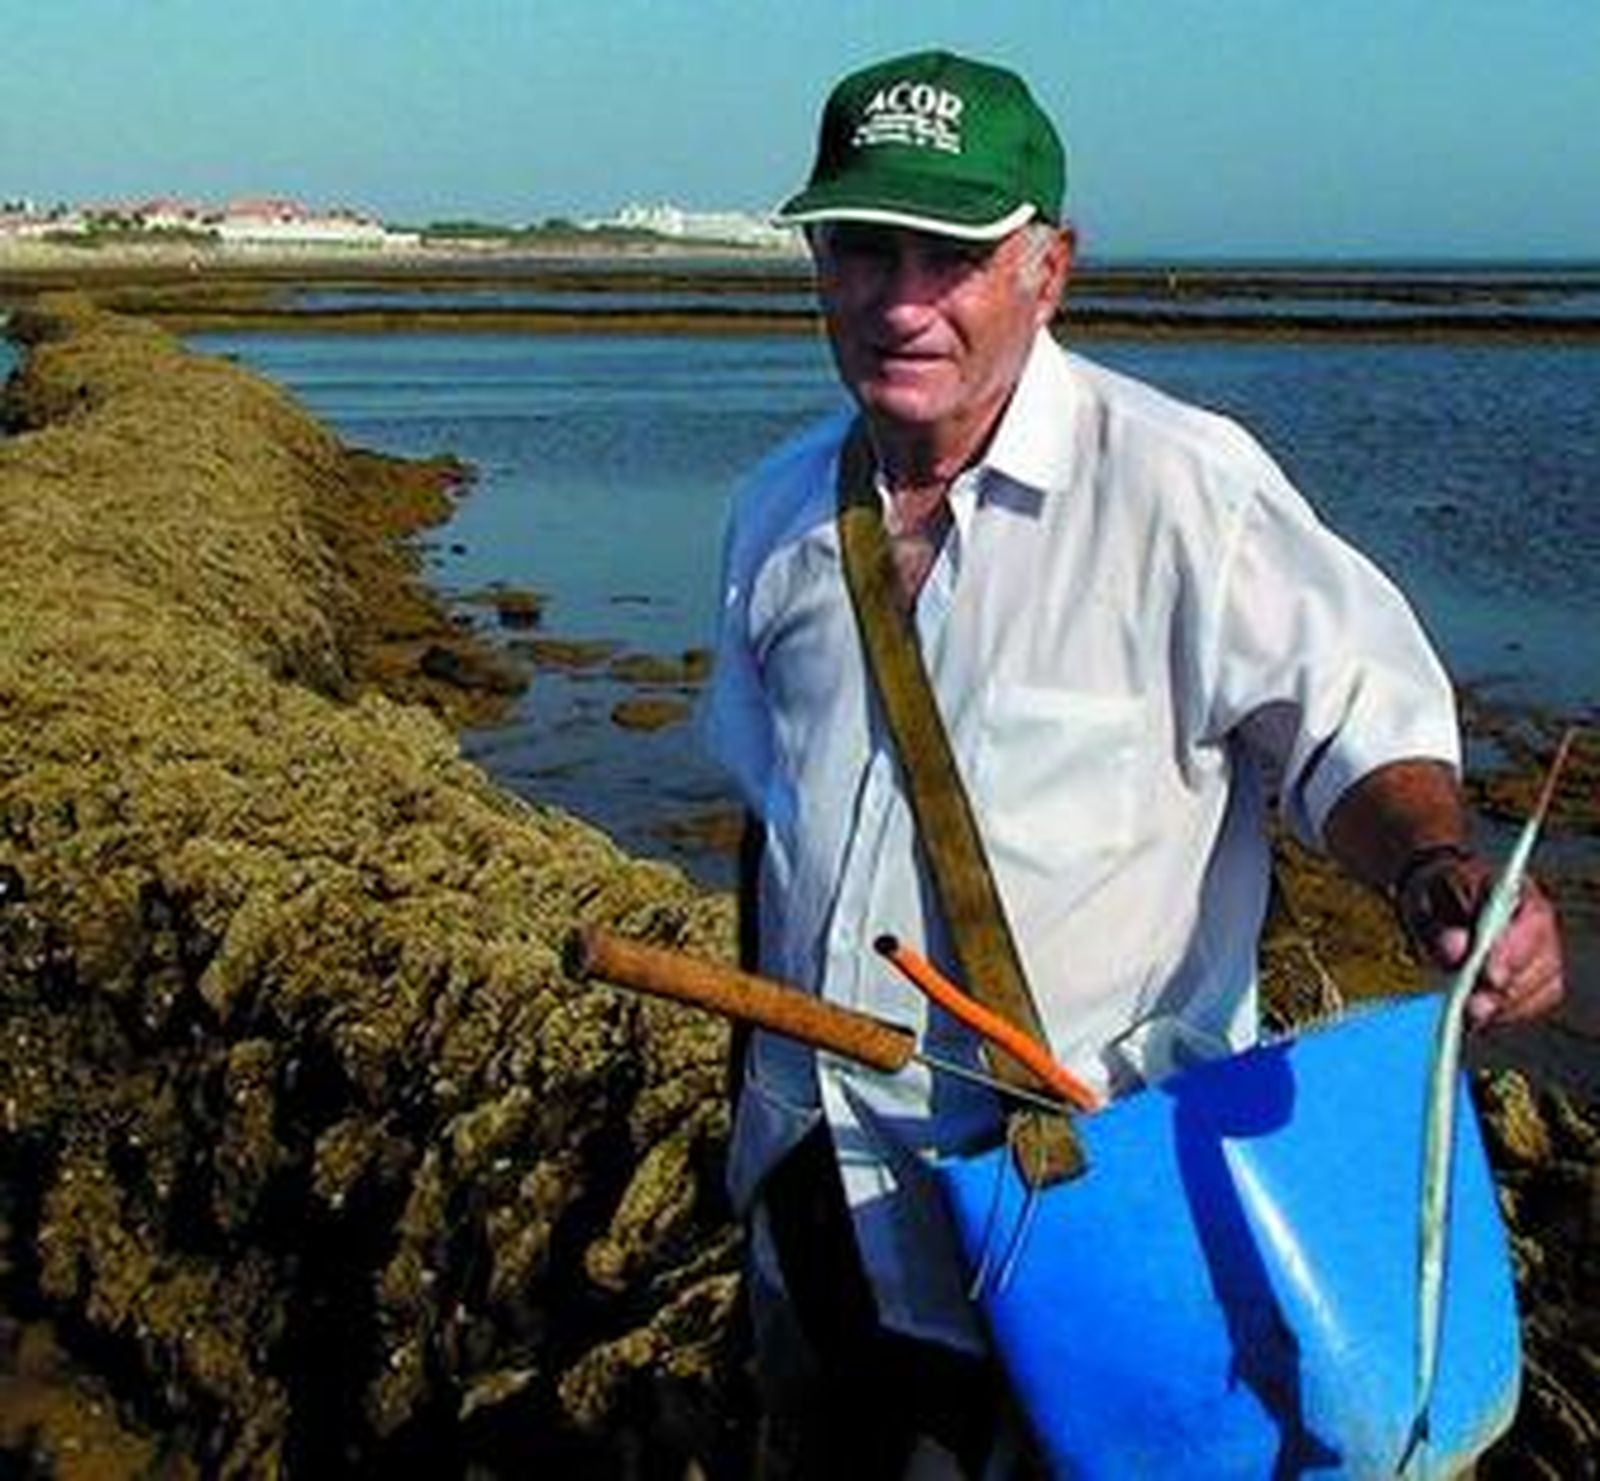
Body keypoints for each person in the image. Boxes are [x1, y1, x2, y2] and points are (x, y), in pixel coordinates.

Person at [704, 48, 1566, 1476]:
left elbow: (1356, 726)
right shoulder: (776, 515)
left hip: (1097, 1237)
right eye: (861, 246)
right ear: (815, 257)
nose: (901, 298)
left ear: (1052, 265)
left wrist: (1433, 866)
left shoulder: (1183, 488)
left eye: (955, 254)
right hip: (822, 1215)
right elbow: (769, 827)